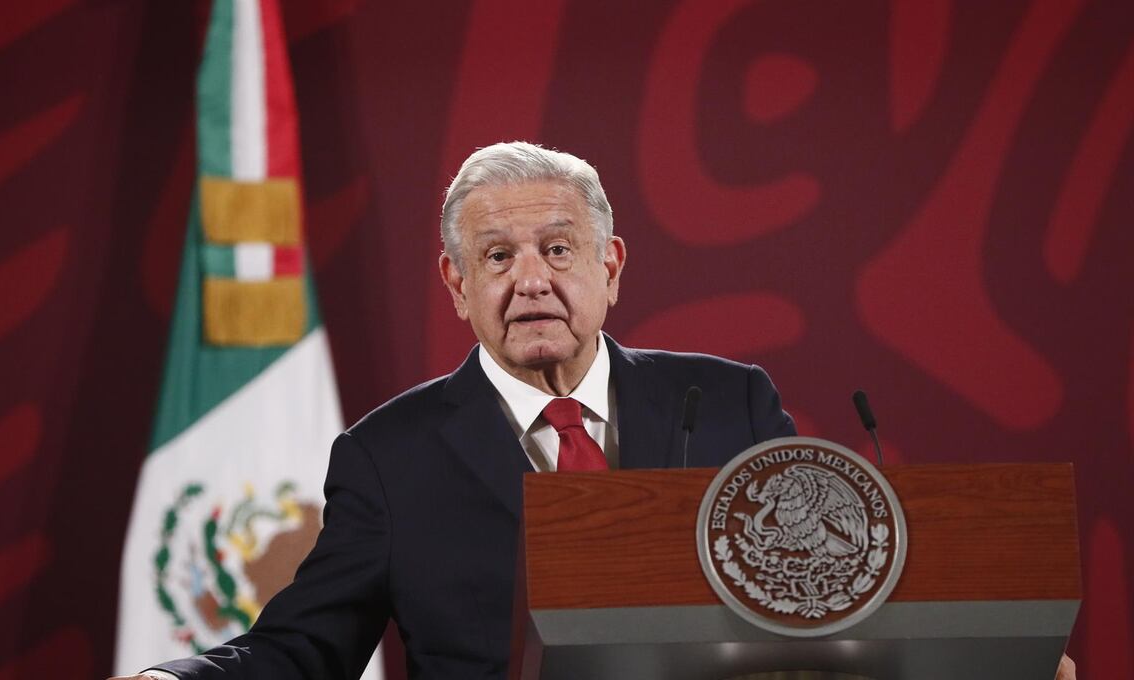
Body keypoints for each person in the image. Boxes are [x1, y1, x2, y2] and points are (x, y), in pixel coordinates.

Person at [111, 142, 1073, 680]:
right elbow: (302, 650)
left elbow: (830, 604)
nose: (530, 280)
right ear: (455, 284)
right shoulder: (387, 458)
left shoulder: (732, 402)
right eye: (497, 257)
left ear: (610, 268)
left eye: (558, 250)